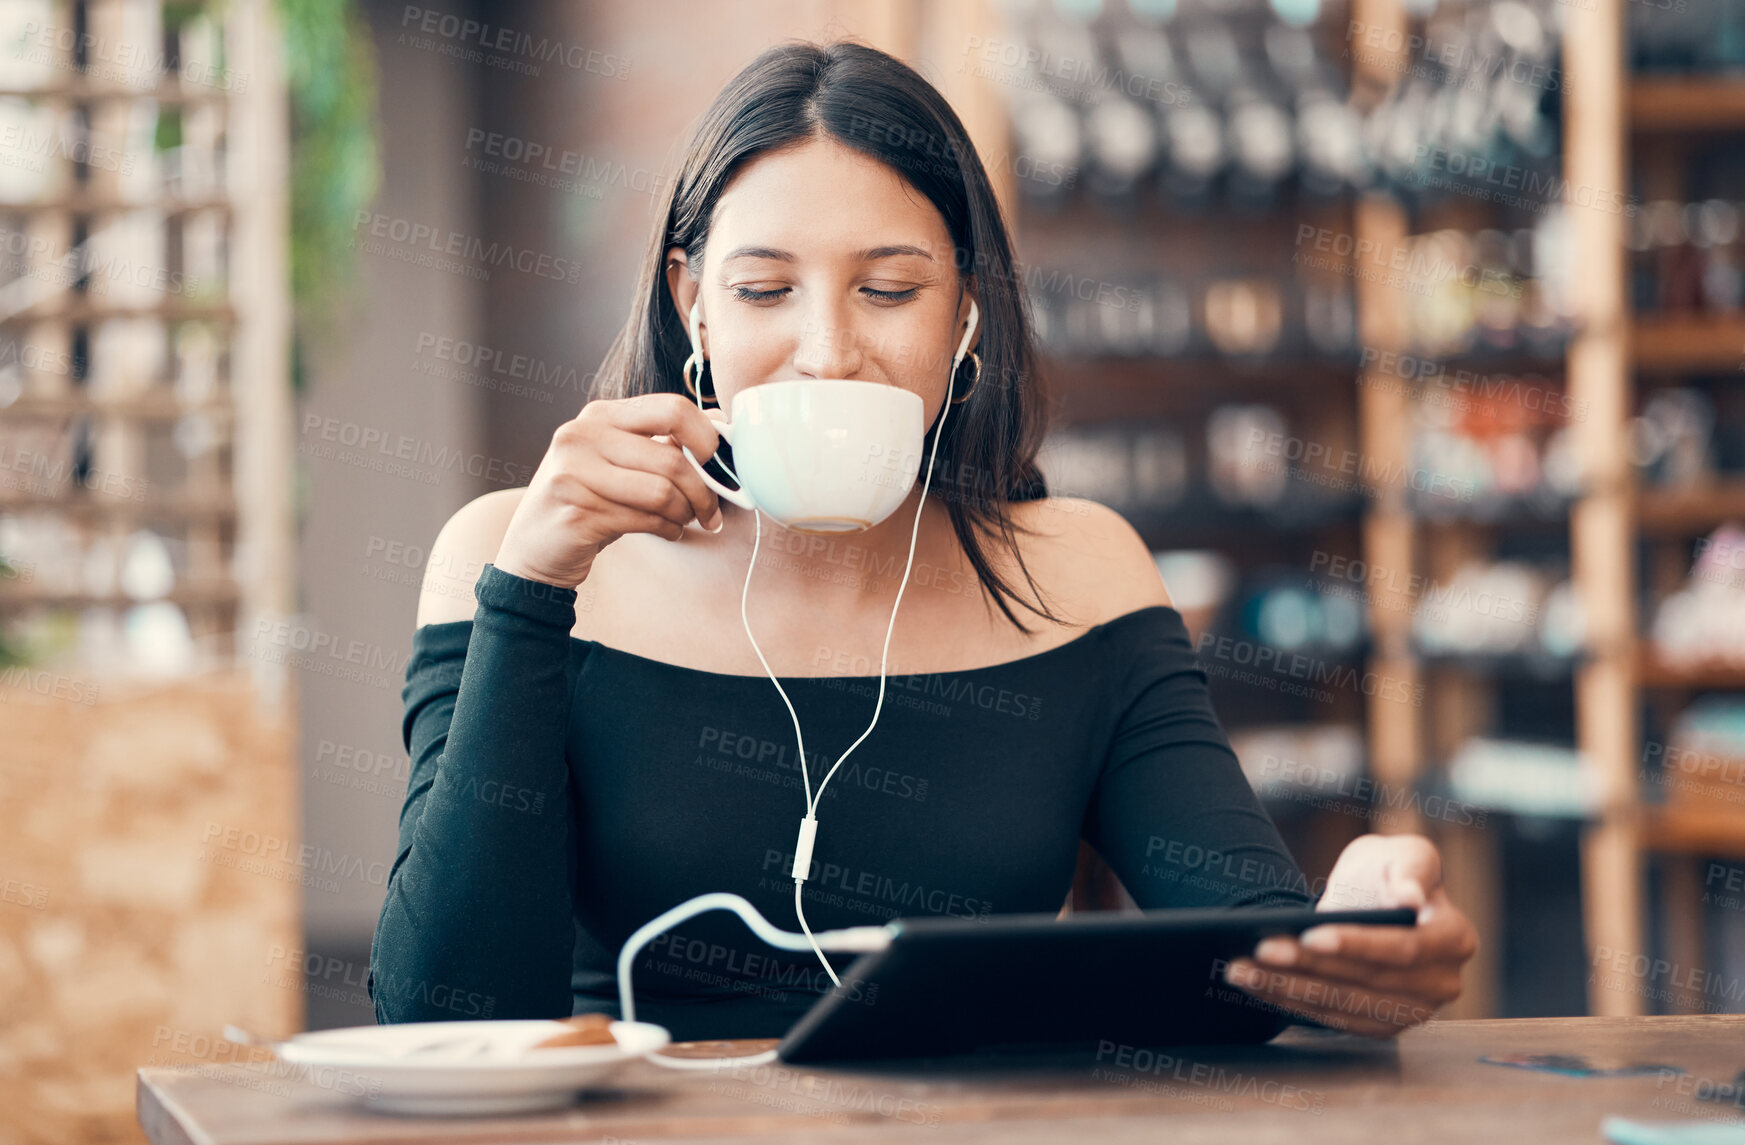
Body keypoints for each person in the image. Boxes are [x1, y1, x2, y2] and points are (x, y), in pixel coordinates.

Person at [369, 39, 1477, 1042]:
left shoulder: (1075, 573)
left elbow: (1263, 959)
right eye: (762, 289)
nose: (826, 350)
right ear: (692, 305)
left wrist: (1363, 938)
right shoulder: (509, 552)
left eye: (888, 289)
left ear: (965, 317)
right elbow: (442, 1014)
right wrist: (529, 587)